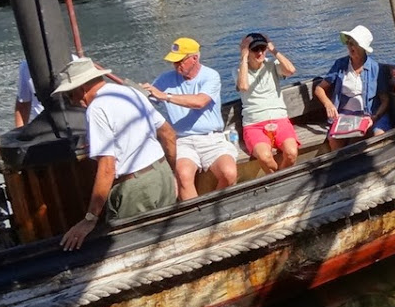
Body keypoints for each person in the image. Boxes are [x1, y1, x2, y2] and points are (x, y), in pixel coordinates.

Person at [53, 57, 178, 251]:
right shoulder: (130, 93)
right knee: (167, 239)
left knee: (131, 248)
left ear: (81, 89)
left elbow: (107, 168)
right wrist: (171, 173)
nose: (72, 101)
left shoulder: (96, 109)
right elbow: (168, 134)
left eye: (69, 95)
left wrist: (90, 218)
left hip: (135, 189)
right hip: (162, 174)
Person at [142, 37, 238, 200]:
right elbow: (147, 98)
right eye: (174, 62)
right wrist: (140, 91)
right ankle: (197, 211)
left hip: (212, 139)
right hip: (182, 140)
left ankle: (213, 205)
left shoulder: (211, 76)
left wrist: (165, 96)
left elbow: (200, 102)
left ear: (194, 58)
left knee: (229, 173)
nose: (176, 65)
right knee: (183, 175)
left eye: (180, 61)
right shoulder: (165, 79)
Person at [313, 25, 391, 151]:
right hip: (344, 116)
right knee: (334, 139)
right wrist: (328, 104)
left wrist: (375, 117)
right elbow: (319, 89)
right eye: (348, 43)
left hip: (370, 114)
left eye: (354, 44)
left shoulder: (376, 69)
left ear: (363, 47)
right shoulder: (340, 65)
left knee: (379, 135)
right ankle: (340, 162)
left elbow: (385, 100)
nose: (350, 47)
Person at [236, 32, 298, 174]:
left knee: (291, 153)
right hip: (255, 124)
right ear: (248, 51)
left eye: (262, 49)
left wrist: (273, 50)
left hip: (279, 119)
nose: (260, 53)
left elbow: (291, 70)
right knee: (265, 157)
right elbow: (243, 86)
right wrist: (244, 57)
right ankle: (280, 180)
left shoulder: (272, 65)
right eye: (255, 49)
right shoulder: (240, 70)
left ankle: (279, 180)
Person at [14, 59, 42, 127]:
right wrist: (20, 131)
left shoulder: (68, 62)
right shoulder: (26, 66)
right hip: (40, 126)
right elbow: (23, 104)